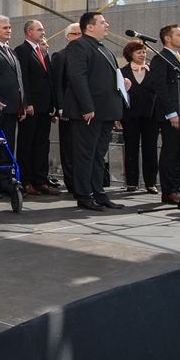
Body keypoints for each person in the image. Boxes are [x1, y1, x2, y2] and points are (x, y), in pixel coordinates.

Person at [63, 12, 125, 211]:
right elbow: (77, 77)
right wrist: (87, 107)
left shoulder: (103, 48)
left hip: (105, 111)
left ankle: (99, 192)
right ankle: (84, 194)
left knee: (99, 155)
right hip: (89, 112)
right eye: (103, 22)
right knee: (85, 155)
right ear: (89, 27)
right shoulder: (78, 45)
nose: (107, 25)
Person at [150, 23, 180, 206]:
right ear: (168, 38)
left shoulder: (179, 57)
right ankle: (169, 191)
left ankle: (179, 190)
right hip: (171, 114)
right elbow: (160, 88)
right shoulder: (160, 58)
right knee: (170, 152)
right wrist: (171, 112)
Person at [14, 20, 58, 196]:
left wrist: (54, 104)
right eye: (39, 29)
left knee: (42, 144)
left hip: (45, 106)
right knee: (27, 143)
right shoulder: (22, 51)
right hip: (32, 106)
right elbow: (23, 78)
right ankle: (26, 180)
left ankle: (41, 180)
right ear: (29, 32)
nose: (43, 32)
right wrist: (27, 103)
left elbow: (50, 80)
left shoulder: (43, 52)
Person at [0, 14, 25, 194]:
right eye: (4, 28)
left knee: (9, 145)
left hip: (12, 106)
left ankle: (5, 180)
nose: (9, 30)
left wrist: (22, 104)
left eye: (9, 27)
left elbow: (18, 80)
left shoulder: (11, 51)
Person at [119, 40, 160, 193]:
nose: (143, 55)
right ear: (130, 54)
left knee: (150, 148)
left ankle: (151, 182)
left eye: (144, 52)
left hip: (151, 116)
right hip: (130, 116)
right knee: (131, 148)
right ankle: (132, 182)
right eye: (139, 52)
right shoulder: (122, 72)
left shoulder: (152, 71)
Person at [50, 22, 81, 194]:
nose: (78, 37)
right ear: (67, 37)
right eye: (75, 34)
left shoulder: (87, 55)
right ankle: (71, 183)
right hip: (68, 111)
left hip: (85, 111)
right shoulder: (60, 56)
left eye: (80, 34)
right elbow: (57, 85)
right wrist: (60, 108)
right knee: (69, 149)